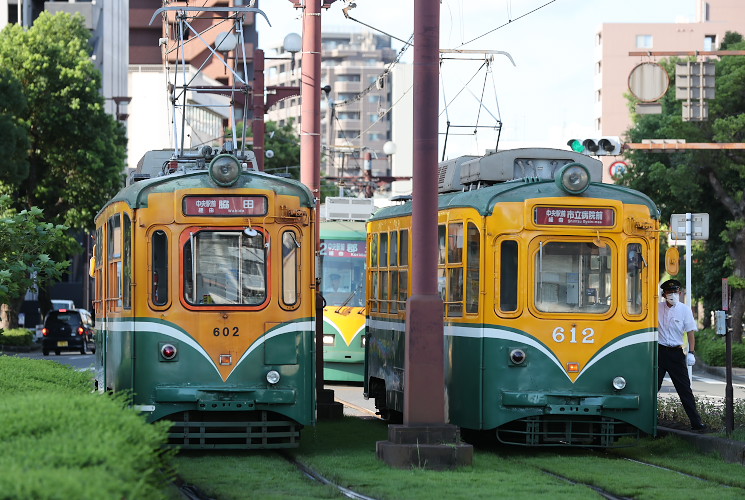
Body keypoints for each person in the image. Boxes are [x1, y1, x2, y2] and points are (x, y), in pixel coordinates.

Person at [657, 278, 707, 432]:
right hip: (659, 352)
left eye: (675, 291)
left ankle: (696, 423)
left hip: (676, 353)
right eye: (669, 292)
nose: (673, 294)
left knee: (684, 389)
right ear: (664, 294)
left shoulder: (684, 309)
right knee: (651, 388)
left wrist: (691, 352)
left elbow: (690, 333)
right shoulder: (656, 308)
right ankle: (648, 420)